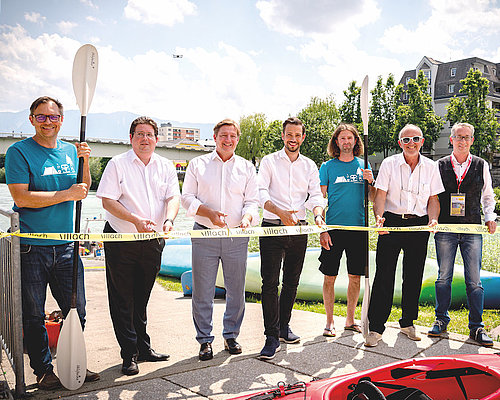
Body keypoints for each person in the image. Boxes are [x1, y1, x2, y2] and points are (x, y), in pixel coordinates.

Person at [5, 96, 100, 389]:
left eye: (54, 117)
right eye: (42, 117)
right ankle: (43, 370)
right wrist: (66, 195)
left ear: (61, 120)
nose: (48, 122)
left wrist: (84, 161)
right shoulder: (18, 152)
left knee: (77, 309)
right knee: (33, 314)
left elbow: (82, 188)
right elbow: (21, 198)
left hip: (67, 247)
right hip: (31, 246)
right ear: (32, 119)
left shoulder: (70, 151)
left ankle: (72, 360)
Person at [97, 116, 180, 375]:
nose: (145, 139)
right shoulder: (117, 164)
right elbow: (108, 201)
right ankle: (129, 354)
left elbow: (173, 197)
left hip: (152, 240)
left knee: (141, 298)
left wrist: (168, 219)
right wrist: (133, 219)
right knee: (122, 298)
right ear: (131, 138)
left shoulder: (165, 165)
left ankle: (143, 348)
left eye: (149, 134)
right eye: (139, 134)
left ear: (157, 139)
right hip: (121, 239)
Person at [181, 119, 259, 361]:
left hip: (237, 236)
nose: (228, 140)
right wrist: (209, 214)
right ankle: (205, 340)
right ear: (215, 138)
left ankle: (231, 335)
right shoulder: (197, 164)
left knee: (236, 290)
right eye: (223, 135)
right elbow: (186, 198)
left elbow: (252, 202)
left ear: (237, 139)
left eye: (233, 136)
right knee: (202, 291)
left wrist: (247, 217)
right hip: (204, 234)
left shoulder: (247, 168)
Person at [365, 124, 444, 347]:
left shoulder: (430, 166)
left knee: (413, 274)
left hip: (418, 226)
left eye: (415, 139)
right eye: (406, 140)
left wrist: (433, 219)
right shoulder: (390, 164)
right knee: (384, 274)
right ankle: (376, 328)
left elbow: (434, 200)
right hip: (391, 223)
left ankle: (407, 322)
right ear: (400, 143)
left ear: (422, 141)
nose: (411, 143)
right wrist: (378, 217)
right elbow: (380, 195)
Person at [257, 117, 326, 360]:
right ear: (283, 135)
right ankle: (271, 336)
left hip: (299, 229)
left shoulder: (309, 165)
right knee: (269, 283)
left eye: (297, 135)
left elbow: (316, 195)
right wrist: (279, 212)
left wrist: (317, 215)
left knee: (291, 282)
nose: (293, 139)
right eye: (289, 135)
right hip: (272, 228)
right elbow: (260, 192)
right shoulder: (269, 161)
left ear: (302, 137)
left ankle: (284, 327)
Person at [427, 122, 497, 346]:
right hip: (446, 229)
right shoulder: (439, 165)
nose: (462, 141)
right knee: (443, 277)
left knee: (474, 281)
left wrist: (490, 216)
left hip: (471, 229)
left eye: (467, 137)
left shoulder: (481, 164)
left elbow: (487, 195)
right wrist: (432, 219)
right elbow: (433, 196)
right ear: (451, 139)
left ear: (472, 140)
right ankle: (440, 320)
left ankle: (476, 327)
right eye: (458, 137)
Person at [318, 124, 375, 337]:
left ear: (355, 141)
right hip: (333, 230)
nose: (346, 142)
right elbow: (319, 200)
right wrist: (322, 229)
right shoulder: (327, 167)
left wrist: (371, 181)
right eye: (342, 138)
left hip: (358, 229)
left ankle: (350, 320)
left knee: (354, 277)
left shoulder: (364, 165)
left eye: (350, 138)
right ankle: (329, 321)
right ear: (336, 142)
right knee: (329, 277)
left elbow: (372, 197)